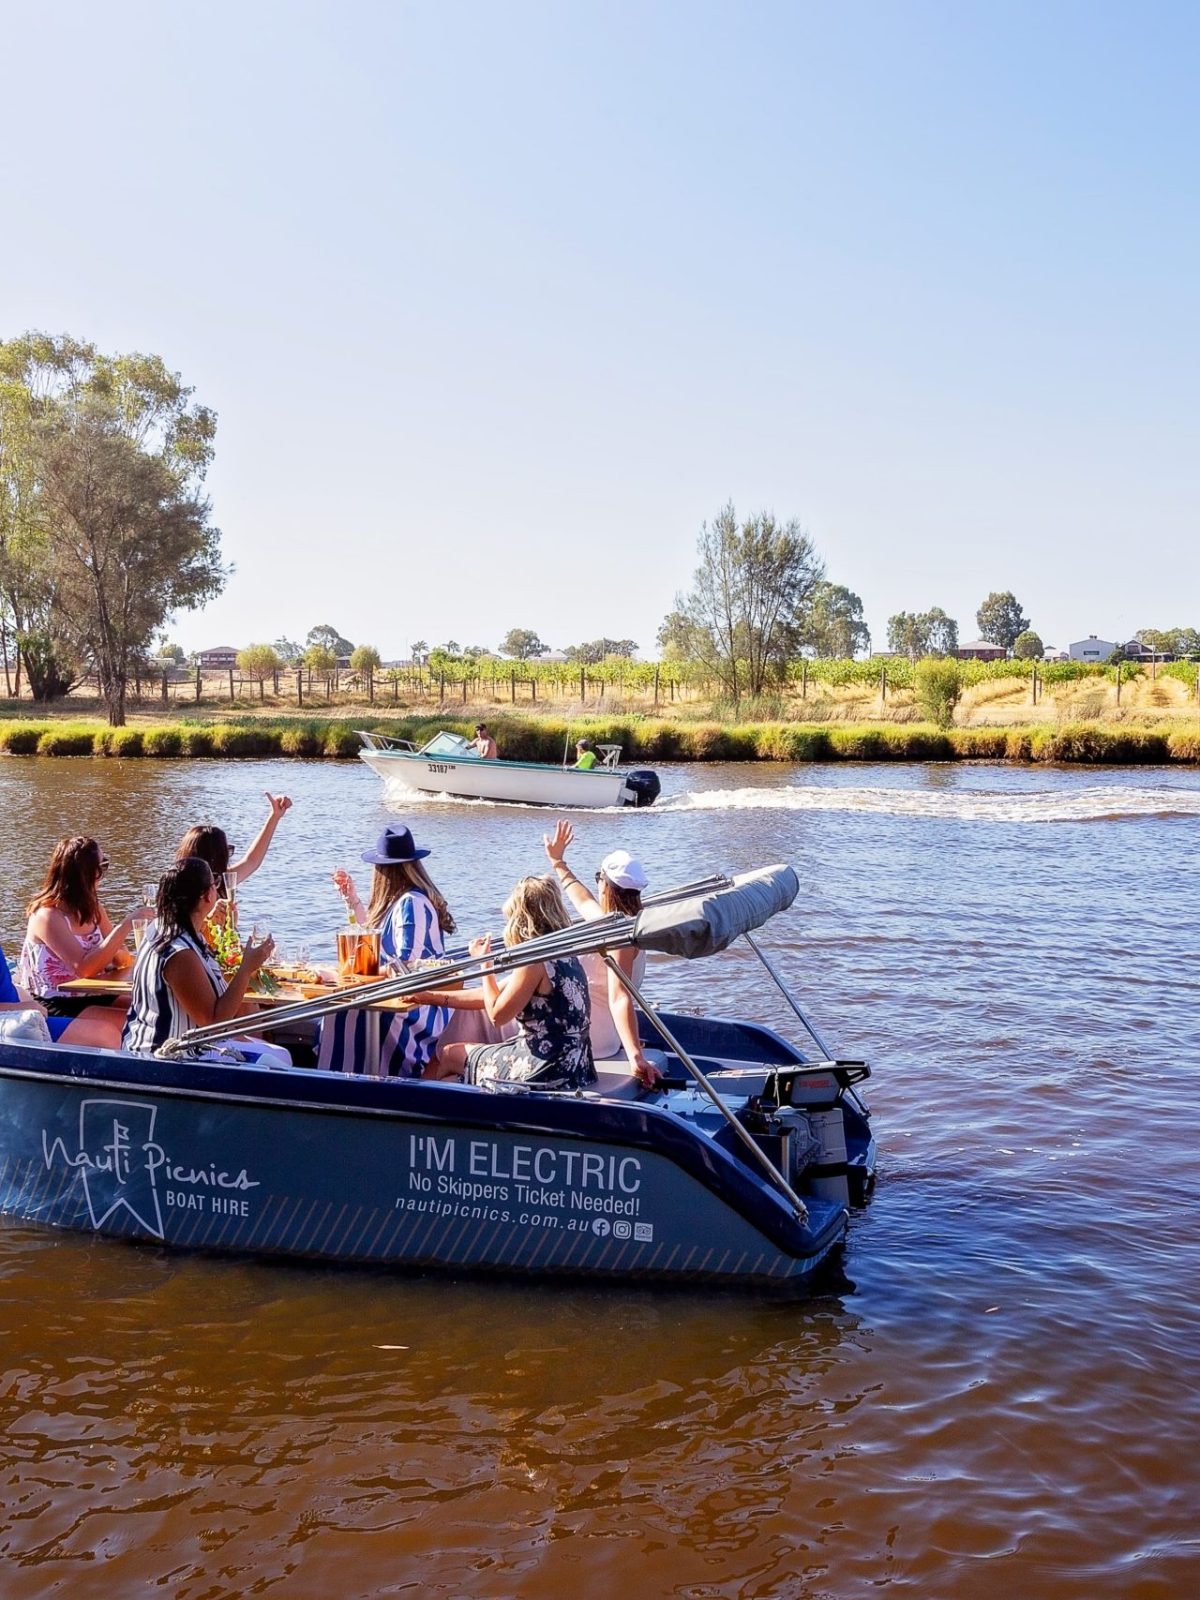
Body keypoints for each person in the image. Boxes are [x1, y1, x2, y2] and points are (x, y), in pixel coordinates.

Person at [424, 874, 594, 1091]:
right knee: (465, 1054)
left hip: (544, 1067)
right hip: (576, 1064)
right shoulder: (565, 953)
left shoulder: (533, 961)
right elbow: (486, 996)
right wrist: (429, 997)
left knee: (447, 1054)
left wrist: (484, 963)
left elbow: (497, 1015)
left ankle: (410, 1107)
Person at [122, 857, 288, 1063]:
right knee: (278, 1060)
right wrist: (246, 970)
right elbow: (214, 1023)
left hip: (157, 1043)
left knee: (280, 1054)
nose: (217, 889)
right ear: (206, 896)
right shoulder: (180, 954)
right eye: (214, 883)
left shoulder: (160, 926)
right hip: (173, 1056)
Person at [322, 825, 455, 1077]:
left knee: (344, 1011)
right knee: (342, 1007)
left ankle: (351, 1079)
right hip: (402, 993)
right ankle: (349, 1077)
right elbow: (373, 934)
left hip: (416, 1004)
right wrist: (352, 900)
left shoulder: (411, 903)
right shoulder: (403, 901)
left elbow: (406, 963)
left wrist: (356, 976)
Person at [544, 820, 663, 1088]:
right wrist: (557, 862)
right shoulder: (627, 925)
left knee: (484, 1015)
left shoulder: (617, 938)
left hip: (591, 1040)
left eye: (599, 878)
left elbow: (619, 996)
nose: (596, 884)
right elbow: (582, 899)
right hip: (604, 1035)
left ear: (606, 886)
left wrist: (635, 1056)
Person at [18, 837, 136, 1031]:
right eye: (102, 865)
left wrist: (114, 950)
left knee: (152, 1006)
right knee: (135, 1021)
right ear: (87, 874)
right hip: (56, 1000)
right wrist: (124, 927)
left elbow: (123, 961)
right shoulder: (48, 916)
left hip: (92, 994)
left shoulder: (94, 909)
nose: (103, 874)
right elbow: (83, 968)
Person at [0, 940, 126, 1050]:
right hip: (13, 1021)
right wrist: (22, 1007)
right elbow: (84, 968)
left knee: (134, 1009)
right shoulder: (47, 916)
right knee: (104, 1034)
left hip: (20, 1014)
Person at [175, 792, 293, 899]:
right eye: (226, 852)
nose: (228, 858)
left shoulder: (221, 882)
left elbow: (252, 861)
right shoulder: (179, 893)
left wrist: (275, 816)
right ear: (215, 857)